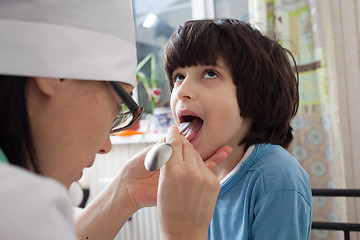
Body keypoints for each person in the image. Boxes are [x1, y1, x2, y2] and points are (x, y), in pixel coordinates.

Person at [0, 1, 233, 240]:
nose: (105, 146)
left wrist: (126, 189)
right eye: (117, 105)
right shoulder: (13, 211)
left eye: (210, 74)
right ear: (55, 72)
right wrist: (182, 232)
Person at [164, 18, 312, 239]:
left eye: (210, 73)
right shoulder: (198, 175)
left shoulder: (275, 175)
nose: (182, 90)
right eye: (179, 77)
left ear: (255, 96)